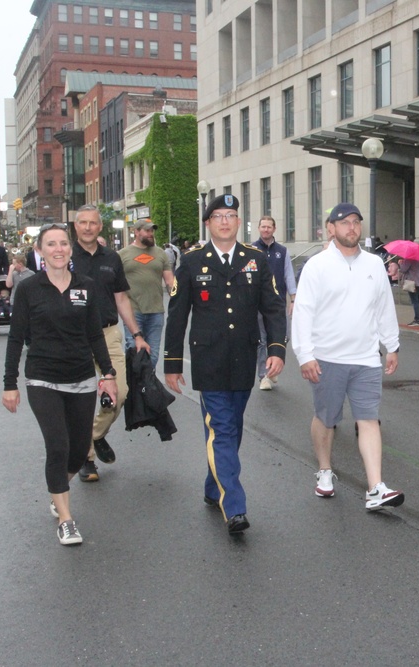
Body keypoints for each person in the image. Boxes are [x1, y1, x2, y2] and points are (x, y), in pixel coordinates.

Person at [164, 194, 286, 536]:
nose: (225, 222)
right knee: (222, 428)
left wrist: (276, 350)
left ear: (238, 222)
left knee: (231, 425)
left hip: (244, 358)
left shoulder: (255, 260)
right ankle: (233, 505)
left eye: (231, 215)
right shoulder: (190, 262)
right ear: (208, 223)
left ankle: (212, 484)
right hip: (209, 360)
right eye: (218, 216)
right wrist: (172, 363)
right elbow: (177, 316)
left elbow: (273, 308)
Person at [1, 223, 118, 546]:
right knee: (58, 446)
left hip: (81, 377)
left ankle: (58, 490)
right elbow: (15, 339)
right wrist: (9, 383)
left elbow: (95, 334)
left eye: (63, 244)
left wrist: (108, 375)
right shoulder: (29, 289)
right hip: (43, 379)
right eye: (50, 244)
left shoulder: (87, 286)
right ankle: (66, 519)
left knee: (79, 452)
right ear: (40, 250)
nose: (58, 249)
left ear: (70, 249)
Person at [292, 202, 405, 511]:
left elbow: (384, 308)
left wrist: (391, 345)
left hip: (366, 358)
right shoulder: (316, 266)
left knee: (369, 419)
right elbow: (303, 313)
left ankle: (375, 488)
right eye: (344, 222)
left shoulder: (374, 265)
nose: (352, 227)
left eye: (356, 222)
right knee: (326, 418)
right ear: (331, 228)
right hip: (327, 359)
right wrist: (305, 355)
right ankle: (325, 470)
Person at [71, 204, 150, 481]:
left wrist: (137, 334)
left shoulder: (112, 258)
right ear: (76, 225)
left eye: (93, 223)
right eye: (83, 223)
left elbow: (121, 299)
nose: (88, 227)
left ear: (99, 226)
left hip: (108, 334)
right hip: (75, 338)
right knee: (80, 400)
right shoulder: (65, 257)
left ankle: (93, 436)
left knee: (120, 393)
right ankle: (86, 459)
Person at [119, 220, 175, 367]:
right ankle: (134, 387)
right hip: (133, 311)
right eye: (147, 231)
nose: (150, 234)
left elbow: (170, 281)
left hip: (156, 312)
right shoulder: (122, 255)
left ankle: (147, 387)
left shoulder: (161, 254)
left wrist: (177, 299)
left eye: (152, 231)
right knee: (135, 352)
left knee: (154, 355)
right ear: (136, 232)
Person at [251, 215, 296, 391]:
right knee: (262, 340)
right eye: (263, 227)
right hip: (258, 304)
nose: (266, 230)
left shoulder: (282, 251)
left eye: (269, 227)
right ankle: (264, 376)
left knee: (283, 336)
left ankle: (273, 366)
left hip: (278, 304)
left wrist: (293, 298)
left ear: (274, 229)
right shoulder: (252, 250)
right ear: (259, 228)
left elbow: (289, 275)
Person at [398, 257, 419, 326]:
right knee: (417, 300)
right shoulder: (416, 259)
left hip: (412, 281)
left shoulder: (409, 259)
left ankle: (417, 319)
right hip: (417, 281)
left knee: (415, 301)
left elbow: (403, 269)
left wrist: (401, 263)